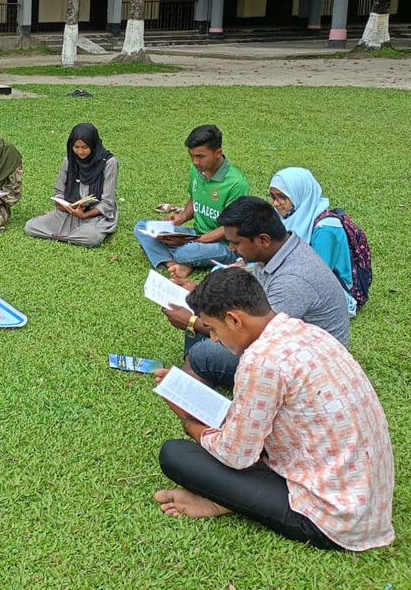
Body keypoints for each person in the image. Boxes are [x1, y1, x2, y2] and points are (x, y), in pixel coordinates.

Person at [153, 268, 394, 552]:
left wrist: (188, 419)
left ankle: (225, 501)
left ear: (233, 319)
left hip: (332, 520)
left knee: (175, 454)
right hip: (363, 496)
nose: (214, 339)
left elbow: (236, 456)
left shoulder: (260, 360)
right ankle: (228, 498)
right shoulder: (305, 331)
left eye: (214, 329)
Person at [160, 196, 350, 391]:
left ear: (263, 240)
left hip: (311, 368)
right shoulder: (280, 250)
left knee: (202, 351)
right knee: (206, 313)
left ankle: (195, 371)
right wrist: (197, 292)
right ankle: (197, 370)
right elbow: (245, 293)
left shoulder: (293, 280)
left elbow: (262, 339)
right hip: (287, 345)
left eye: (236, 243)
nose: (232, 249)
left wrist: (192, 323)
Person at [135, 125, 248, 280]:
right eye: (191, 155)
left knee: (186, 251)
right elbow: (195, 197)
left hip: (225, 245)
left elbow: (232, 227)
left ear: (218, 153)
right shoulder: (197, 169)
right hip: (196, 234)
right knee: (142, 227)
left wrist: (195, 240)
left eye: (201, 156)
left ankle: (170, 253)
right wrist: (181, 218)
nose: (195, 161)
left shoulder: (236, 184)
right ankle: (175, 265)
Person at [269, 167, 358, 316]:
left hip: (329, 287)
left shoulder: (325, 228)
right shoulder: (289, 217)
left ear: (299, 193)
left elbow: (318, 275)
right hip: (294, 277)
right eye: (272, 197)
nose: (276, 203)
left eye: (282, 197)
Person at [24, 123, 118, 247]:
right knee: (30, 227)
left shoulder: (109, 163)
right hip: (68, 212)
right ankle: (71, 236)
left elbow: (107, 202)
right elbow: (59, 191)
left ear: (93, 145)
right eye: (76, 147)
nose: (80, 151)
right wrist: (62, 205)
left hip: (95, 215)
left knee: (91, 238)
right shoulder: (69, 160)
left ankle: (64, 235)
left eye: (85, 147)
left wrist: (83, 215)